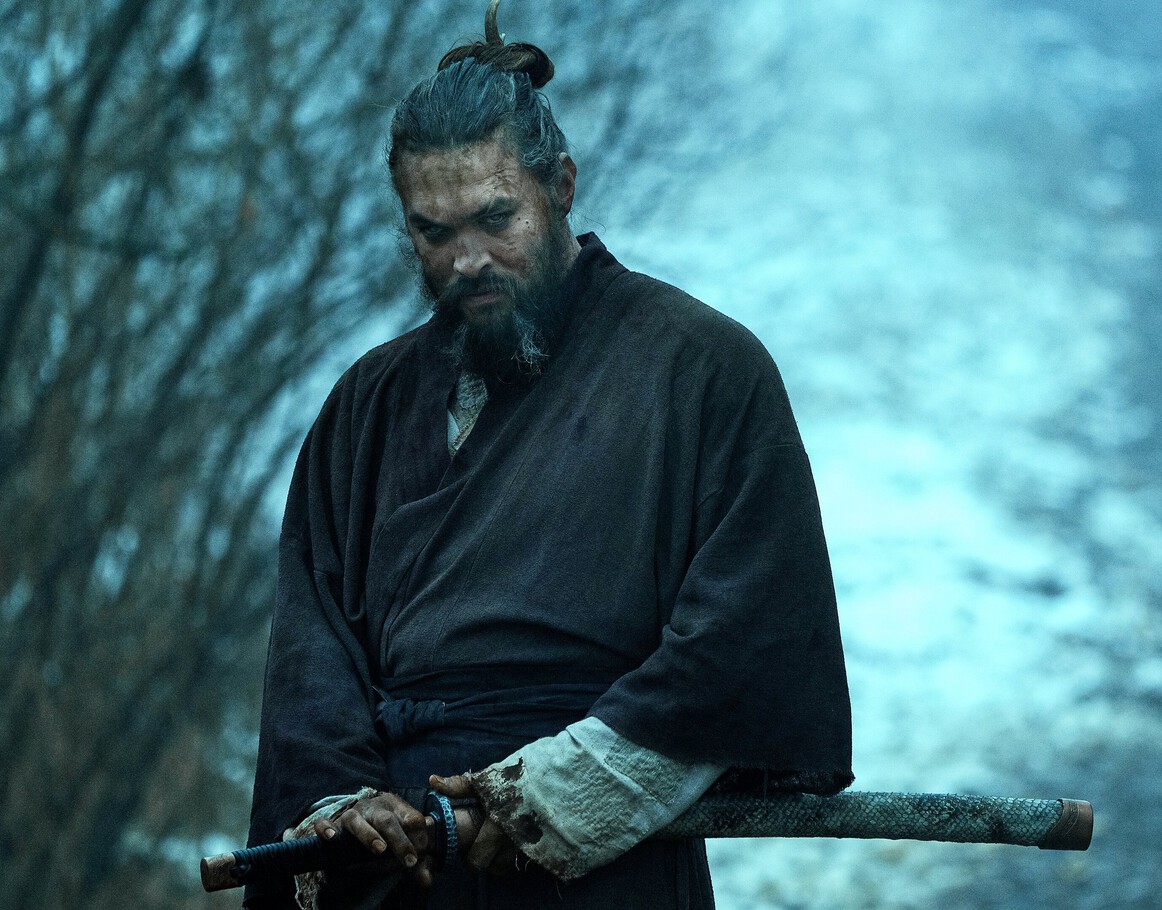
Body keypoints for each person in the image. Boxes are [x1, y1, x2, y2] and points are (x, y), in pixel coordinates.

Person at [245, 3, 852, 907]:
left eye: (496, 218)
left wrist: (547, 797)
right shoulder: (366, 406)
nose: (468, 260)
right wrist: (345, 803)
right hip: (397, 866)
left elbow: (746, 641)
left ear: (560, 184)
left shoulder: (700, 367)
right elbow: (312, 649)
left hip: (605, 856)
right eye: (434, 232)